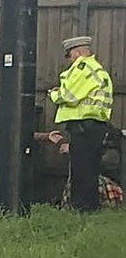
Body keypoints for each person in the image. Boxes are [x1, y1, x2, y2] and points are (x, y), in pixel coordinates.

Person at [47, 35, 114, 211]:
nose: (70, 60)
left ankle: (80, 208)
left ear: (76, 52)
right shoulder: (98, 70)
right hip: (96, 126)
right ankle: (90, 208)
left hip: (84, 127)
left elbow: (69, 96)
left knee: (80, 170)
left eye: (69, 56)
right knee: (90, 170)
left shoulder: (82, 68)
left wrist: (53, 94)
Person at [0, 95, 62, 179]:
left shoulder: (21, 104)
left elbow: (23, 133)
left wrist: (46, 136)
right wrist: (10, 134)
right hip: (0, 155)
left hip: (21, 155)